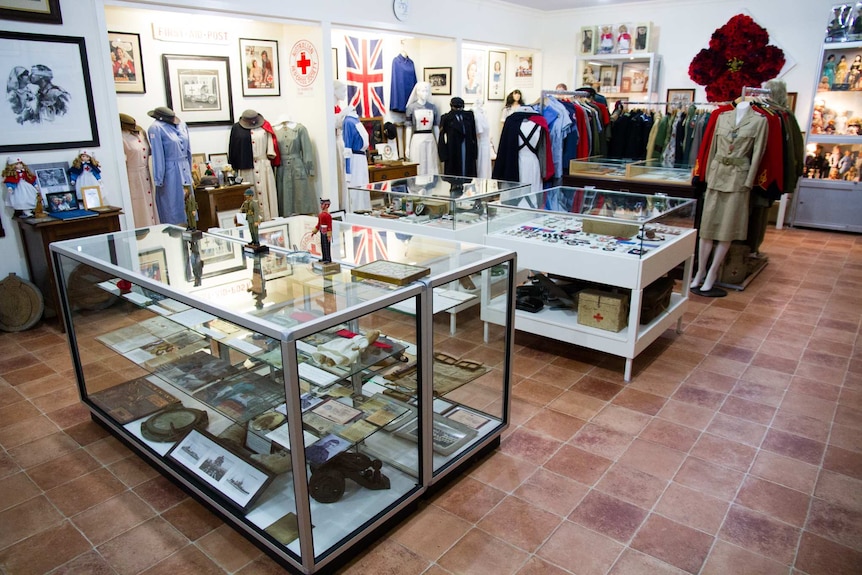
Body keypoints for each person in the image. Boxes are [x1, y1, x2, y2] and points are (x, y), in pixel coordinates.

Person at [690, 102, 768, 296]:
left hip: (738, 179)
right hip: (716, 175)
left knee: (727, 229)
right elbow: (713, 148)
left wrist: (749, 181)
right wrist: (707, 175)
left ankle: (713, 272)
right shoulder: (722, 118)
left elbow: (758, 152)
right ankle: (700, 271)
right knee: (706, 228)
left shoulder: (760, 121)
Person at [147, 106, 193, 225]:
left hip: (185, 171)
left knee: (189, 207)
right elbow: (158, 155)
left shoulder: (182, 125)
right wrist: (159, 179)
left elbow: (188, 151)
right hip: (169, 173)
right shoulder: (155, 128)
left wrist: (190, 172)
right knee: (171, 209)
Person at [120, 113, 159, 227]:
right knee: (138, 206)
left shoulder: (141, 133)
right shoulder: (121, 137)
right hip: (132, 176)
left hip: (145, 173)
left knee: (150, 204)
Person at [405, 81, 440, 175]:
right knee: (418, 164)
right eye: (422, 91)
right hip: (417, 139)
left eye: (426, 91)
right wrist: (407, 147)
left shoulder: (433, 107)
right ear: (417, 92)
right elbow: (408, 127)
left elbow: (436, 127)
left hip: (430, 139)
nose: (425, 93)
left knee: (431, 163)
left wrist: (439, 144)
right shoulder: (411, 108)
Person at [311, 198, 333, 263]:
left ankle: (328, 259)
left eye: (322, 204)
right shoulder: (320, 215)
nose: (321, 206)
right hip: (322, 232)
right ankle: (324, 257)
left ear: (326, 205)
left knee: (327, 246)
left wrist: (329, 235)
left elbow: (329, 226)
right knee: (323, 245)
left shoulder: (328, 216)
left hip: (326, 232)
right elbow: (318, 224)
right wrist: (314, 231)